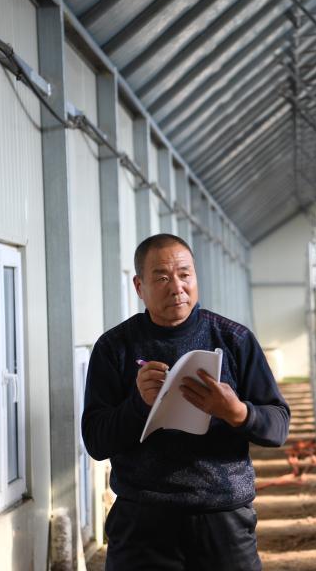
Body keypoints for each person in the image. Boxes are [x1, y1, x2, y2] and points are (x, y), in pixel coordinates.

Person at [81, 233, 290, 570]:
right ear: (139, 286)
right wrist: (139, 405)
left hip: (222, 517)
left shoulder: (234, 340)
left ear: (195, 277)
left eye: (184, 274)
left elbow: (278, 427)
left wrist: (236, 412)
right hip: (142, 523)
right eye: (162, 277)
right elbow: (96, 441)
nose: (177, 287)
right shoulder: (114, 347)